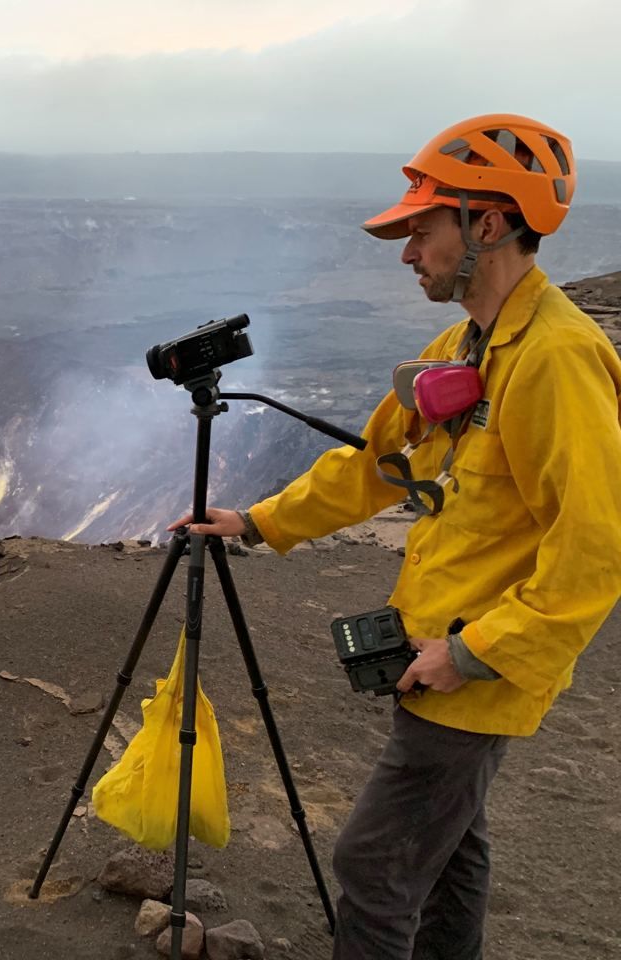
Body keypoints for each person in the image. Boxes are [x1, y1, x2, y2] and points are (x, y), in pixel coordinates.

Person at [168, 114, 621, 959]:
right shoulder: (465, 345)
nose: (408, 251)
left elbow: (595, 549)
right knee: (450, 855)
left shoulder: (556, 359)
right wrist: (258, 521)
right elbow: (376, 463)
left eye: (423, 228)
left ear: (488, 224)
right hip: (435, 646)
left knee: (373, 866)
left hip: (473, 669)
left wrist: (474, 652)